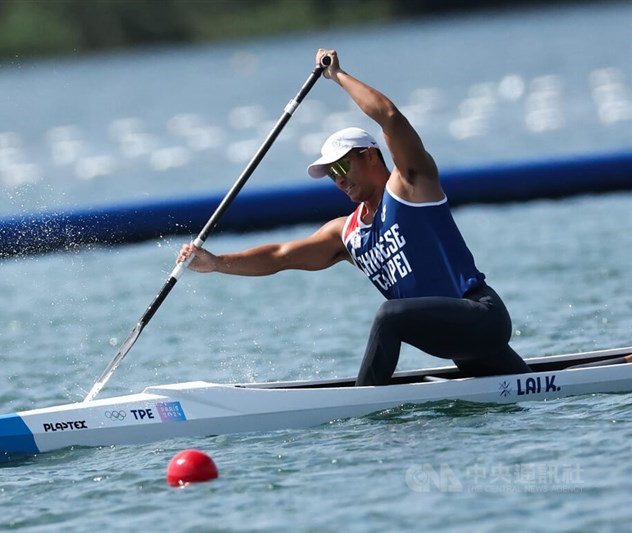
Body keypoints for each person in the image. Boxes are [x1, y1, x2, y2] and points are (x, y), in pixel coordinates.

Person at [177, 48, 531, 385]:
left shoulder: (411, 183)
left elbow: (389, 117)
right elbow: (279, 256)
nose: (339, 178)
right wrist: (216, 262)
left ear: (371, 156)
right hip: (452, 342)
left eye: (343, 164)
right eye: (331, 173)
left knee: (388, 316)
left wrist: (338, 75)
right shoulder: (345, 234)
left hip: (481, 317)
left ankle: (363, 411)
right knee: (532, 386)